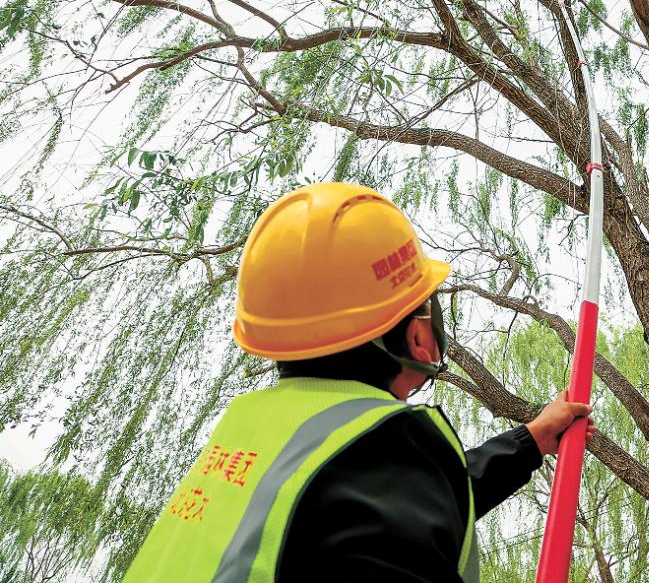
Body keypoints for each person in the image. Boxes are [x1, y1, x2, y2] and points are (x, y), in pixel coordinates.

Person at [122, 183, 594, 582]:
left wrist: (528, 442)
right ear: (416, 335)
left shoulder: (257, 431)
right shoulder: (387, 442)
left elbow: (388, 509)